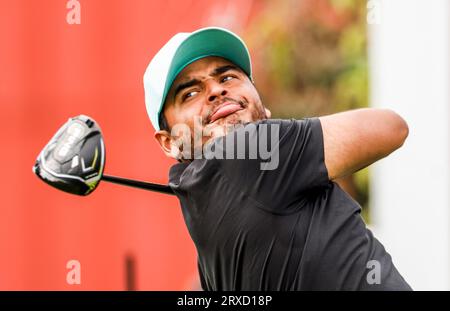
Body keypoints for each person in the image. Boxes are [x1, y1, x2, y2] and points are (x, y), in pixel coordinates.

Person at [143, 27, 412, 290]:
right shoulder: (253, 150)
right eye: (190, 94)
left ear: (263, 105)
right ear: (169, 143)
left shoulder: (199, 207)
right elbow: (390, 127)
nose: (215, 90)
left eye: (227, 78)